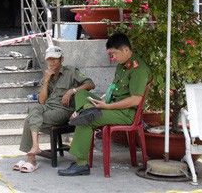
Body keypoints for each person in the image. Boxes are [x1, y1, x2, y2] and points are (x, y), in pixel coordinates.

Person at [57, 32, 151, 176]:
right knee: (81, 94)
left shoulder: (139, 69)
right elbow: (113, 89)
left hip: (126, 113)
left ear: (126, 50)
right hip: (113, 107)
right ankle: (88, 110)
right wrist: (103, 101)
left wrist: (107, 106)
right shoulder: (122, 65)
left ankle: (81, 165)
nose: (113, 57)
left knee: (86, 121)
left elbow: (135, 100)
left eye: (115, 53)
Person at [13, 45, 95, 173]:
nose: (52, 62)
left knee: (29, 120)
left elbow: (90, 84)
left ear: (62, 59)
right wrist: (46, 81)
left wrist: (72, 91)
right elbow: (42, 101)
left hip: (64, 110)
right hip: (47, 107)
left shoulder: (71, 71)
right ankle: (34, 149)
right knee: (34, 108)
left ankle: (31, 158)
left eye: (55, 59)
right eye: (49, 59)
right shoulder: (47, 76)